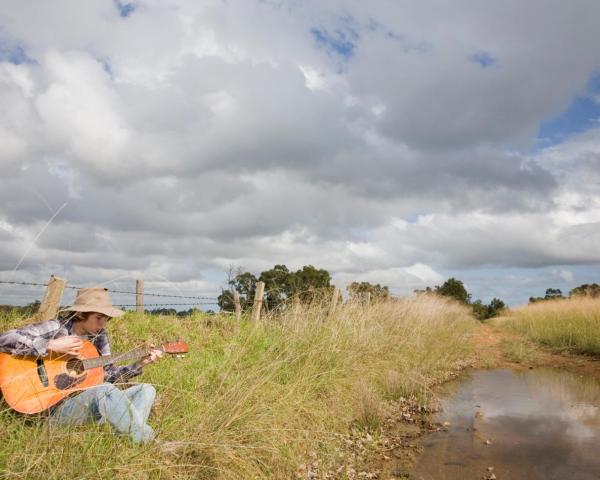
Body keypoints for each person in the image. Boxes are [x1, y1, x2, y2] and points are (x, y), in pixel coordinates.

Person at [0, 287, 163, 444]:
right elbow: (5, 338)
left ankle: (130, 433)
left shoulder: (99, 337)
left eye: (107, 318)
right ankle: (149, 442)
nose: (103, 324)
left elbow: (108, 376)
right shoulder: (56, 328)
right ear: (80, 313)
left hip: (84, 407)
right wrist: (49, 344)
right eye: (99, 318)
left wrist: (139, 363)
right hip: (48, 412)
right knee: (104, 391)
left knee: (146, 390)